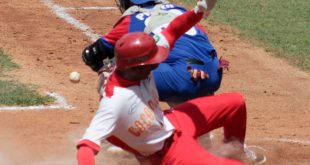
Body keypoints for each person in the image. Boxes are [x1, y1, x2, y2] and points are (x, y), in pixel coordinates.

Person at [76, 3, 247, 164]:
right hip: (169, 151)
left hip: (172, 122)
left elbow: (174, 29)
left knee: (236, 103)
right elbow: (86, 147)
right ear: (136, 67)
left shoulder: (139, 65)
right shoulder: (115, 101)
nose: (158, 63)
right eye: (152, 61)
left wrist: (200, 8)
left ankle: (234, 152)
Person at [82, 0, 229, 105]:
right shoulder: (180, 10)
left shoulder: (132, 19)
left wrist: (102, 66)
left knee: (113, 71)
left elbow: (91, 55)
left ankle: (134, 133)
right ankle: (200, 129)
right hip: (212, 75)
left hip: (180, 80)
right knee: (175, 63)